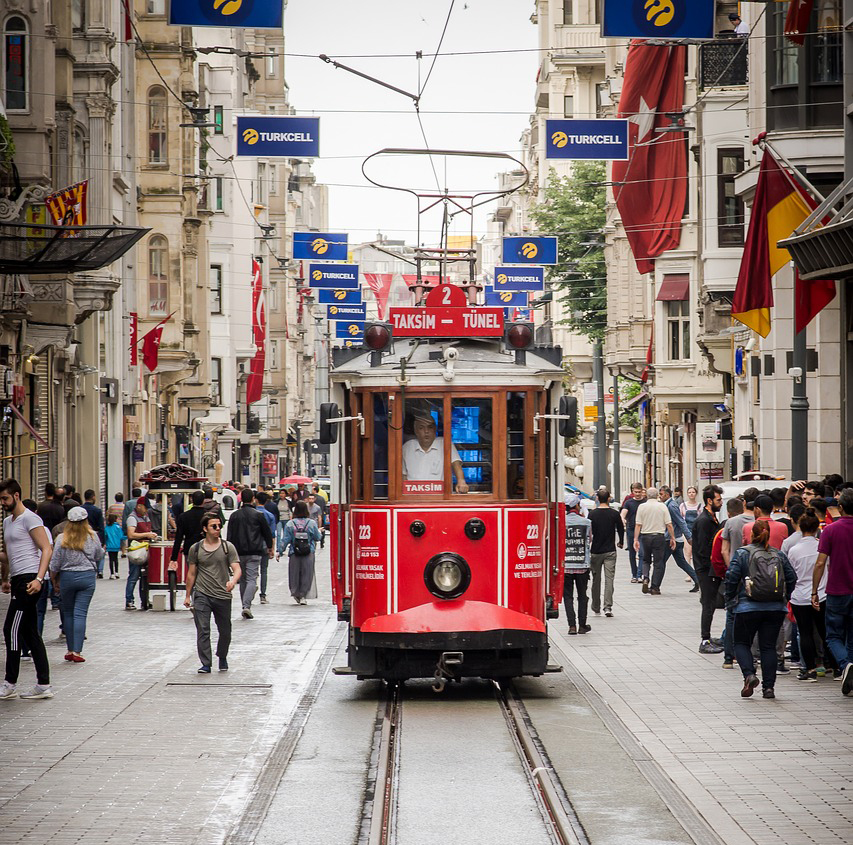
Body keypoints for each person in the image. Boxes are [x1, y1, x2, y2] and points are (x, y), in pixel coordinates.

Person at [725, 520, 796, 699]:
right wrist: (784, 597)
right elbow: (792, 577)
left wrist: (731, 600)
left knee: (741, 643)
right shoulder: (778, 555)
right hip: (775, 607)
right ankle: (769, 688)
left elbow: (731, 578)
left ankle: (749, 675)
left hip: (747, 607)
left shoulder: (742, 553)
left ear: (751, 535)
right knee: (768, 647)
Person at [0, 478, 54, 701]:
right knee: (30, 633)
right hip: (18, 579)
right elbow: (8, 555)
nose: (2, 503)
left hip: (30, 580)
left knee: (10, 629)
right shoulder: (7, 522)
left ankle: (9, 683)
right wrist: (4, 578)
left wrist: (39, 579)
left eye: (5, 498)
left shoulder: (30, 519)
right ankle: (43, 684)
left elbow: (46, 548)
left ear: (16, 496)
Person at [184, 512, 241, 673]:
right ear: (205, 529)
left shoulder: (227, 547)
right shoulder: (196, 549)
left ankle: (222, 656)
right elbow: (192, 573)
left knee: (225, 631)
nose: (217, 529)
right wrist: (188, 595)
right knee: (203, 629)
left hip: (222, 594)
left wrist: (233, 581)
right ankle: (206, 663)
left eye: (219, 526)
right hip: (202, 593)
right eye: (213, 526)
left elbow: (237, 568)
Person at [787, 508, 838, 682]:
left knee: (805, 632)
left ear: (800, 527)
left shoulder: (794, 550)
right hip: (822, 593)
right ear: (817, 528)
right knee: (826, 632)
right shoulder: (821, 547)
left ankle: (809, 669)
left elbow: (791, 573)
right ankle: (835, 667)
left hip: (800, 595)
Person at [48, 506, 103, 663]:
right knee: (80, 613)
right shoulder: (93, 537)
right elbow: (99, 555)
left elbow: (55, 563)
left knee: (68, 613)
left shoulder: (61, 539)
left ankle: (70, 649)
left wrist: (54, 579)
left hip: (67, 577)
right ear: (86, 521)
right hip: (87, 577)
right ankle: (78, 651)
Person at [812, 487, 853, 695]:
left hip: (837, 591)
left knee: (833, 635)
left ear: (841, 507)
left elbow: (820, 563)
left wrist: (814, 591)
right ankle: (851, 673)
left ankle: (846, 665)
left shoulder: (831, 530)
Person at [226, 489, 274, 619]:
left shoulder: (234, 515)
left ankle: (244, 605)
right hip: (254, 551)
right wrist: (270, 547)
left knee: (242, 580)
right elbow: (267, 533)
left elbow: (229, 535)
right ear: (253, 499)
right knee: (252, 578)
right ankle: (246, 606)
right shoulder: (258, 515)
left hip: (238, 552)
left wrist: (228, 552)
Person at [401, 412, 469, 493]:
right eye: (421, 428)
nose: (426, 431)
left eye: (430, 427)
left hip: (439, 496)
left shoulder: (444, 443)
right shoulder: (407, 447)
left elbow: (456, 463)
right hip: (414, 496)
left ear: (435, 429)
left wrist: (461, 481)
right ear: (416, 431)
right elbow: (403, 475)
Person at [694, 484, 725, 655]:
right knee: (708, 604)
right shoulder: (705, 521)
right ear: (709, 501)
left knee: (711, 604)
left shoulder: (711, 518)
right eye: (718, 500)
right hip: (706, 570)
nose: (720, 503)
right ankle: (704, 639)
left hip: (709, 569)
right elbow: (704, 549)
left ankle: (708, 637)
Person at [633, 487, 676, 595]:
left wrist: (635, 539)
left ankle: (646, 577)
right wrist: (672, 538)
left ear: (646, 495)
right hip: (659, 537)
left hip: (645, 536)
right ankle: (655, 587)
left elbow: (638, 525)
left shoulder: (641, 507)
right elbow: (669, 524)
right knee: (658, 562)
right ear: (657, 495)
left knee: (646, 560)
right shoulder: (662, 506)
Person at [588, 488, 623, 617]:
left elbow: (589, 532)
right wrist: (621, 542)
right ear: (609, 498)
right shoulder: (614, 514)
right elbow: (620, 528)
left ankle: (595, 606)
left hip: (596, 550)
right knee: (609, 580)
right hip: (610, 551)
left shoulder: (592, 514)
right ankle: (607, 607)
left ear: (597, 498)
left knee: (596, 579)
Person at [280, 499, 322, 604]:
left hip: (294, 552)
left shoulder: (290, 524)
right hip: (309, 552)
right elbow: (318, 537)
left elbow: (285, 539)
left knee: (294, 574)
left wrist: (280, 551)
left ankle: (296, 593)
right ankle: (303, 595)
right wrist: (320, 532)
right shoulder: (311, 523)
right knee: (307, 573)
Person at [660, 485, 698, 592]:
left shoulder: (671, 506)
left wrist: (689, 537)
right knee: (681, 562)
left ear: (667, 495)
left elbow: (681, 522)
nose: (660, 496)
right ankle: (697, 580)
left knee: (661, 562)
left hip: (673, 540)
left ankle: (655, 586)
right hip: (675, 539)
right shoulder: (667, 505)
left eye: (661, 494)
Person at [563, 493, 592, 635]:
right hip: (582, 564)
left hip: (566, 565)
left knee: (567, 596)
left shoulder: (560, 521)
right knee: (582, 595)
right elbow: (589, 540)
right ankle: (582, 625)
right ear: (576, 506)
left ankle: (571, 625)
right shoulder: (586, 522)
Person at [125, 497, 158, 610]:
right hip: (137, 551)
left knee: (145, 577)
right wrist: (147, 535)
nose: (146, 510)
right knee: (134, 576)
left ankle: (144, 600)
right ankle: (129, 600)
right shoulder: (132, 518)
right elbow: (131, 534)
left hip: (145, 549)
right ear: (139, 506)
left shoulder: (145, 516)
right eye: (145, 508)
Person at [721, 488, 758, 566]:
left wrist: (730, 568)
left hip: (736, 565)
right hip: (758, 567)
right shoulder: (763, 522)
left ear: (744, 503)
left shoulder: (730, 522)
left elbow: (724, 550)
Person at [171, 490, 207, 568]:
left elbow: (178, 538)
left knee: (192, 572)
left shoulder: (183, 516)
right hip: (206, 549)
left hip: (189, 548)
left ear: (192, 500)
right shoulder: (208, 516)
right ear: (204, 501)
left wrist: (174, 558)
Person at [620, 483, 646, 582]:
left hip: (643, 530)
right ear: (632, 492)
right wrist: (622, 518)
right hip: (631, 529)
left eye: (639, 492)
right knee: (632, 553)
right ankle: (634, 575)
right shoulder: (629, 503)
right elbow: (623, 513)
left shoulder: (645, 502)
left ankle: (640, 574)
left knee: (642, 553)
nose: (638, 494)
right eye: (636, 492)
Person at [255, 492, 276, 605]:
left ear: (256, 500)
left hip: (252, 545)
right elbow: (272, 534)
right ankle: (263, 594)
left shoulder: (253, 514)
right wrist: (271, 548)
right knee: (264, 570)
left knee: (252, 571)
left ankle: (251, 587)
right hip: (264, 545)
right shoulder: (269, 515)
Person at [82, 489, 106, 574]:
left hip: (82, 535)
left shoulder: (81, 509)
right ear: (93, 497)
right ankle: (99, 570)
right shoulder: (97, 510)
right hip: (94, 534)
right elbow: (101, 527)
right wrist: (103, 541)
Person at [104, 513, 125, 579]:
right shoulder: (117, 527)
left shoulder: (107, 527)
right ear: (115, 519)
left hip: (109, 545)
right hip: (116, 545)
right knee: (116, 559)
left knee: (111, 559)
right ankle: (117, 572)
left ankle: (112, 573)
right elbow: (121, 536)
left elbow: (105, 536)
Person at [276, 489, 292, 557]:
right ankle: (278, 548)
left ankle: (283, 547)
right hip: (279, 519)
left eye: (283, 493)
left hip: (286, 519)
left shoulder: (288, 502)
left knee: (285, 534)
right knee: (279, 534)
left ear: (285, 494)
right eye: (280, 493)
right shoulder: (277, 502)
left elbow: (290, 511)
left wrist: (291, 519)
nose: (281, 495)